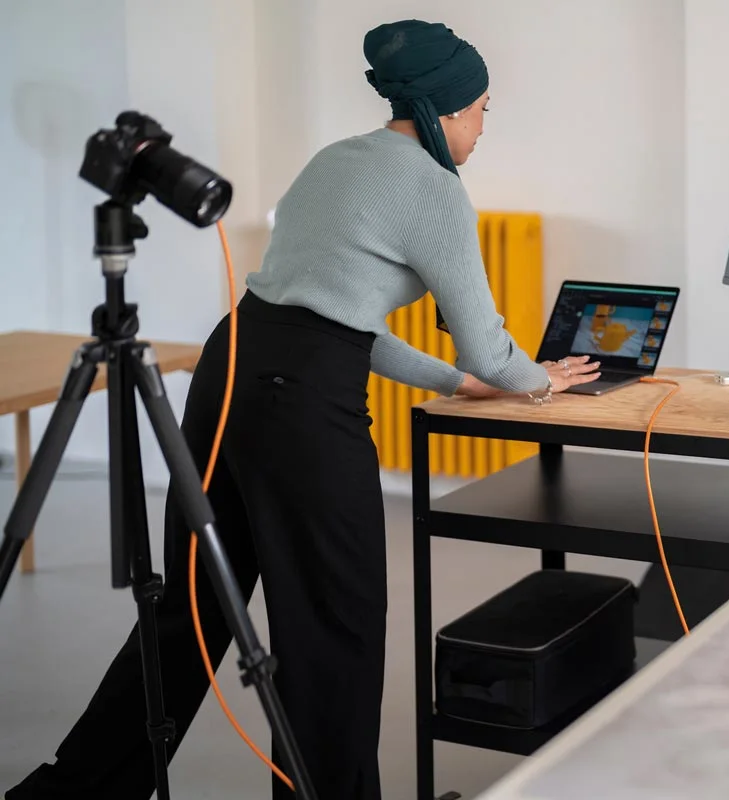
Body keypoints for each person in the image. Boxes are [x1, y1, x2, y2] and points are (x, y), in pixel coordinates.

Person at [6, 18, 599, 800]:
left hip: (231, 366)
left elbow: (339, 319)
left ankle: (68, 793)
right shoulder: (433, 187)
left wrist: (460, 386)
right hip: (304, 409)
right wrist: (542, 381)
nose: (485, 125)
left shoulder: (335, 160)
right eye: (484, 109)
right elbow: (487, 348)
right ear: (448, 110)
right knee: (333, 635)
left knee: (188, 614)